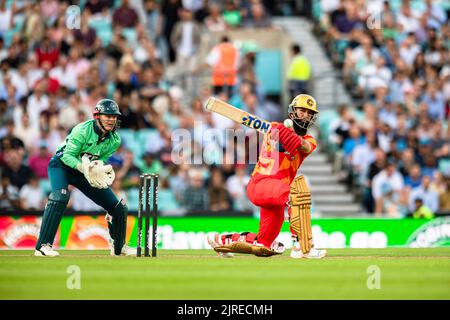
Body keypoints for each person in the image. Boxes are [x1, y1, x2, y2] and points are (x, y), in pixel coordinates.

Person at [207, 94, 327, 259]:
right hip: (262, 184)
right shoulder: (275, 129)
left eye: (309, 112)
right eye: (302, 110)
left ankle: (220, 240)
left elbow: (304, 147)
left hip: (276, 194)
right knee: (297, 194)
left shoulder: (310, 140)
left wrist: (293, 137)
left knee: (264, 243)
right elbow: (280, 147)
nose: (305, 114)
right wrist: (283, 133)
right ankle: (301, 246)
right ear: (293, 112)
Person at [34, 99, 134, 257]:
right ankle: (43, 246)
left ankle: (119, 246)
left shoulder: (115, 140)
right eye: (107, 116)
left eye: (114, 116)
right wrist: (83, 167)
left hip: (85, 172)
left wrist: (97, 169)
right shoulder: (82, 130)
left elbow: (101, 159)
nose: (111, 119)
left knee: (118, 207)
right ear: (97, 116)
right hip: (61, 166)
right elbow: (67, 156)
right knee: (60, 196)